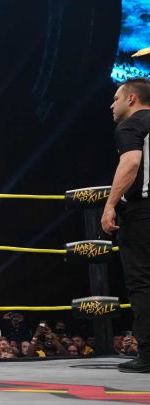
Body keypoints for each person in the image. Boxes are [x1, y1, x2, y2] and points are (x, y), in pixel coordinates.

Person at [102, 78, 150, 373]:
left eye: (116, 98)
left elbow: (131, 163)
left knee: (142, 282)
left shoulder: (132, 124)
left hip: (142, 212)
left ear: (131, 99)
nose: (112, 105)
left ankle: (148, 354)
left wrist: (110, 205)